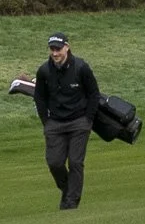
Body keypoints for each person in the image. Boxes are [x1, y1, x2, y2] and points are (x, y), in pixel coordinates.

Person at [33, 33, 101, 210]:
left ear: (67, 47)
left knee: (76, 162)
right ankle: (67, 190)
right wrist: (46, 121)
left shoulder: (81, 67)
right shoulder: (44, 71)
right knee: (54, 162)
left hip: (79, 121)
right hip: (55, 123)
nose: (55, 53)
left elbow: (94, 94)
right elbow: (39, 98)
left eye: (58, 49)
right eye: (52, 49)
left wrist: (88, 119)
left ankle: (71, 203)